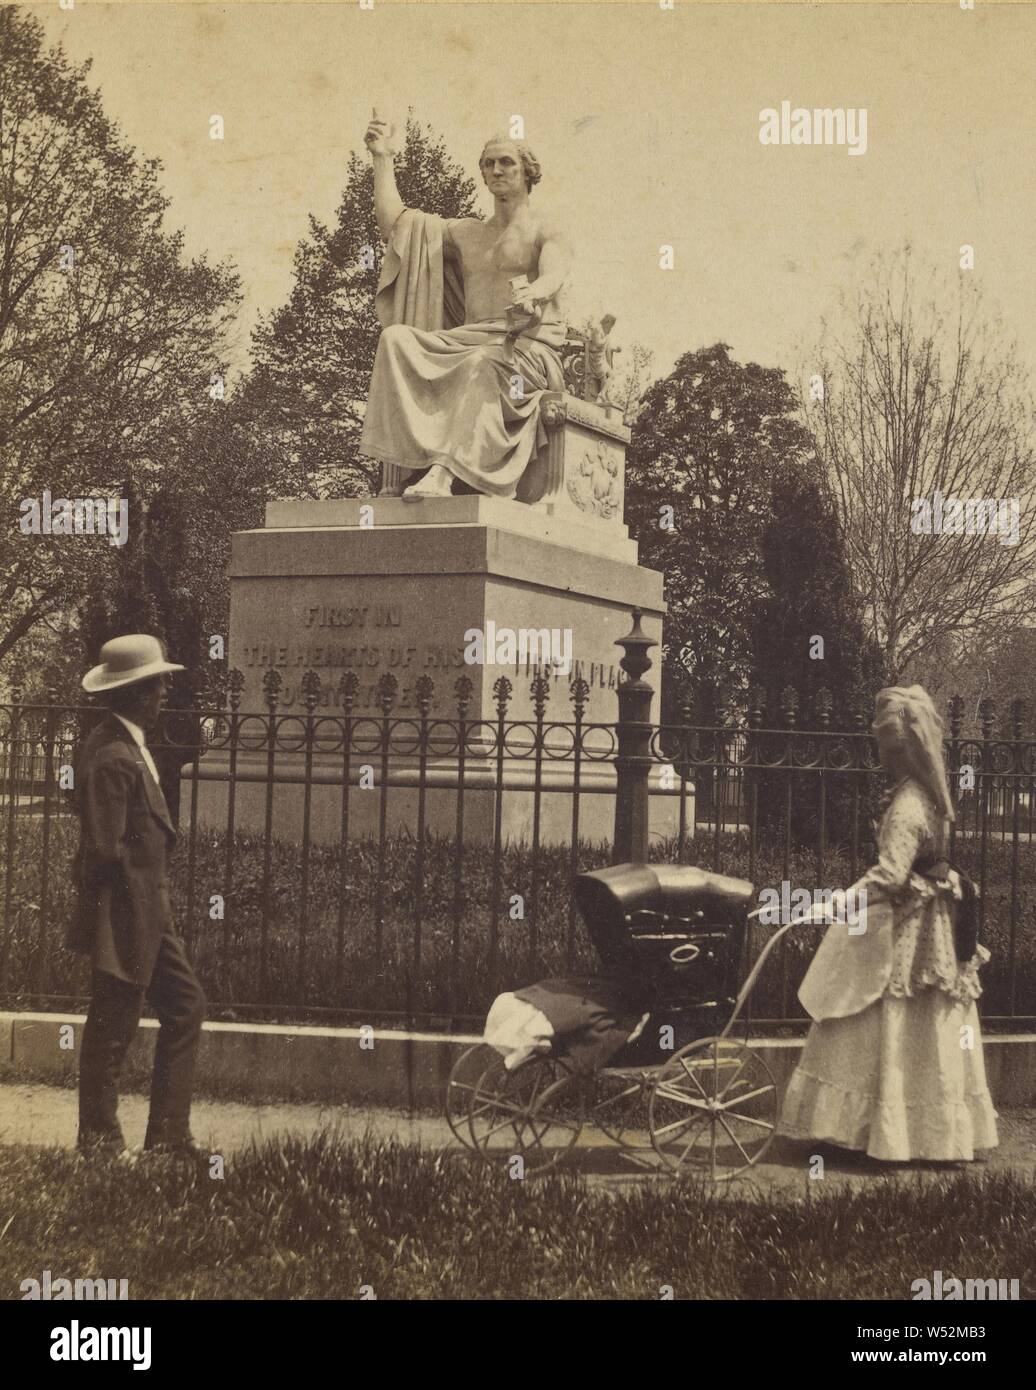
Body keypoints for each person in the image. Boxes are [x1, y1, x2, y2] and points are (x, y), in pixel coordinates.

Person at [778, 684, 998, 1163]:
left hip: (907, 927)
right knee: (925, 1024)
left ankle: (882, 1133)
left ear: (895, 748)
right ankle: (927, 1133)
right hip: (933, 923)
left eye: (880, 743)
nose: (876, 752)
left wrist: (839, 901)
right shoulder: (932, 797)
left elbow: (892, 875)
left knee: (876, 1011)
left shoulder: (906, 805)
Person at [359, 111, 572, 500]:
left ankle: (442, 475)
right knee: (395, 339)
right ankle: (401, 473)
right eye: (488, 163)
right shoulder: (466, 233)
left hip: (529, 351)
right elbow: (398, 226)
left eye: (506, 162)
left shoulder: (545, 227)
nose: (496, 170)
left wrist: (534, 293)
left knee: (484, 362)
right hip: (467, 340)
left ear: (528, 172)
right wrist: (382, 159)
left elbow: (555, 273)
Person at [69, 634, 208, 1160]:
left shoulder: (126, 743)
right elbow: (105, 848)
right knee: (112, 1028)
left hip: (150, 912)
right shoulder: (112, 754)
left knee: (185, 1006)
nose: (164, 694)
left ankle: (168, 1138)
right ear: (136, 694)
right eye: (157, 685)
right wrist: (130, 911)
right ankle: (99, 1142)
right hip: (126, 913)